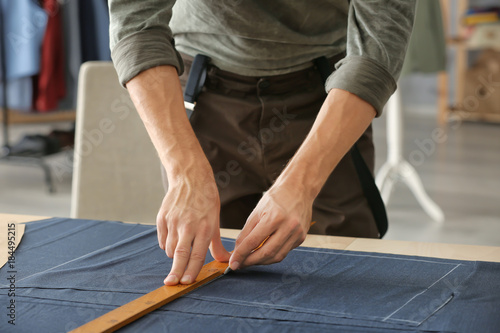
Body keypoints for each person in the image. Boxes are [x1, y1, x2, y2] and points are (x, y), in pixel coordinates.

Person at [109, 0, 416, 285]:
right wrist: (185, 172)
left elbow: (379, 41)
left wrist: (302, 184)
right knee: (210, 285)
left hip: (329, 95)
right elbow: (136, 25)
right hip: (204, 93)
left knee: (346, 276)